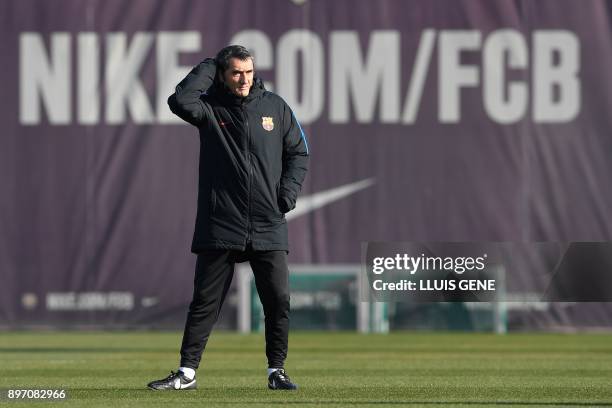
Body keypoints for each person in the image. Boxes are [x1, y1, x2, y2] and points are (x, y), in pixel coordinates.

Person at [147, 45, 309, 391]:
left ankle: (276, 371)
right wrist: (209, 64)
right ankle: (186, 373)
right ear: (223, 73)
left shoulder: (275, 106)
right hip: (221, 221)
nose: (244, 79)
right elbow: (179, 101)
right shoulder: (208, 107)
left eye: (248, 72)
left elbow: (299, 152)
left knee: (278, 301)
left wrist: (287, 195)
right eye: (236, 72)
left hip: (268, 221)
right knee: (205, 302)